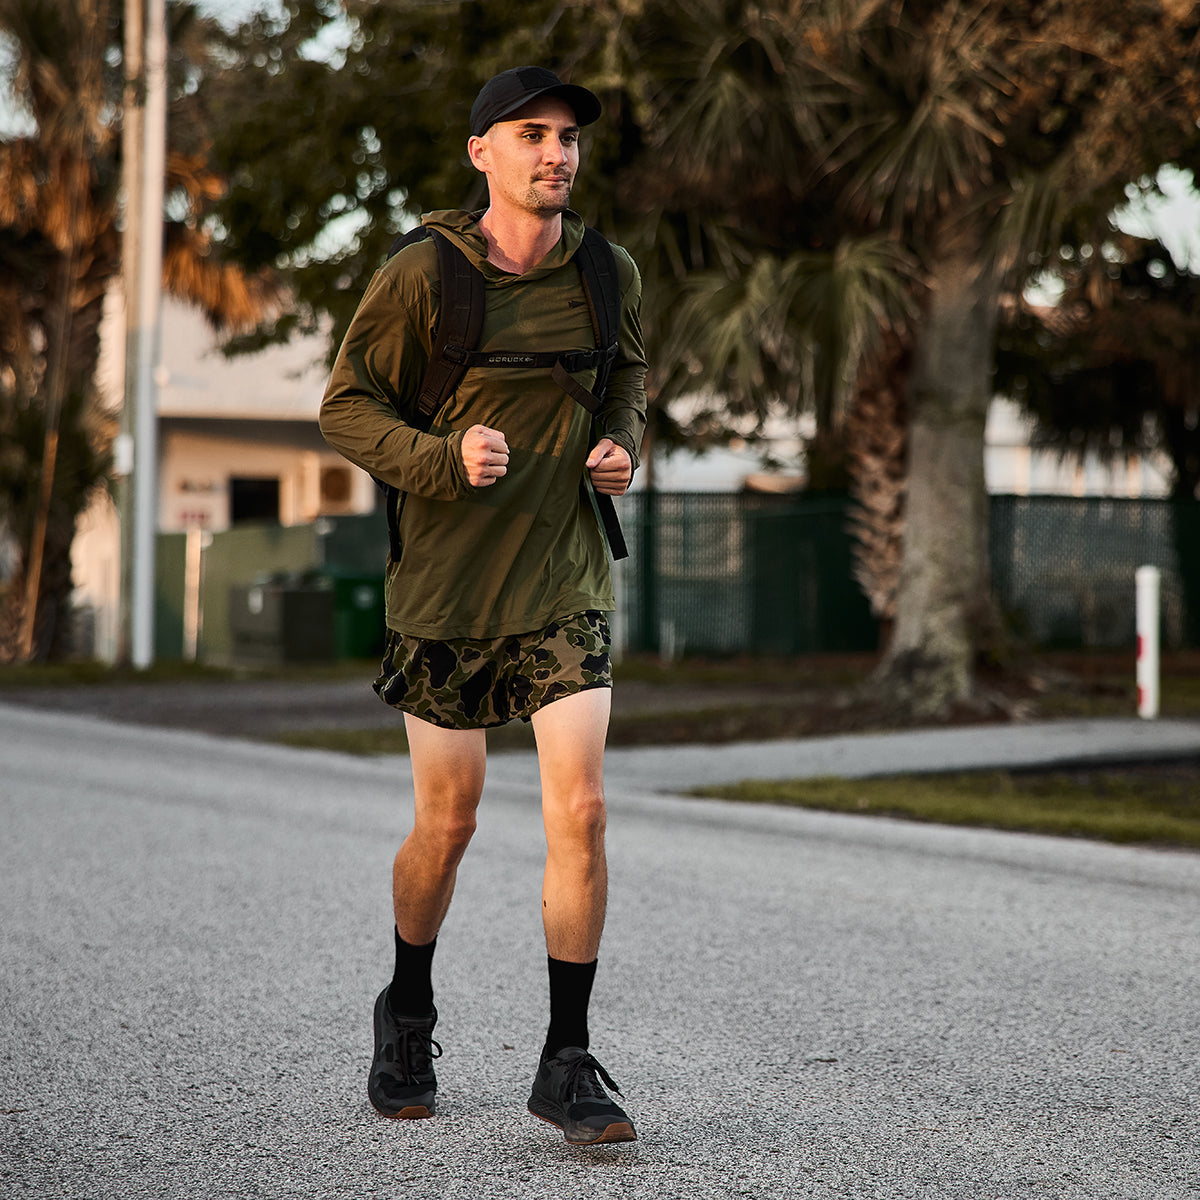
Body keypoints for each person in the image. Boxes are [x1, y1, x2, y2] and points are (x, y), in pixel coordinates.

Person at [318, 66, 647, 1146]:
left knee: (583, 810)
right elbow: (345, 407)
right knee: (447, 825)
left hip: (565, 583)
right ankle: (407, 1005)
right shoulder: (423, 278)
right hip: (448, 593)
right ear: (482, 154)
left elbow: (628, 378)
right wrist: (441, 456)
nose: (556, 152)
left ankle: (567, 1060)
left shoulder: (609, 272)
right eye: (532, 134)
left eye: (567, 137)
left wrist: (622, 446)